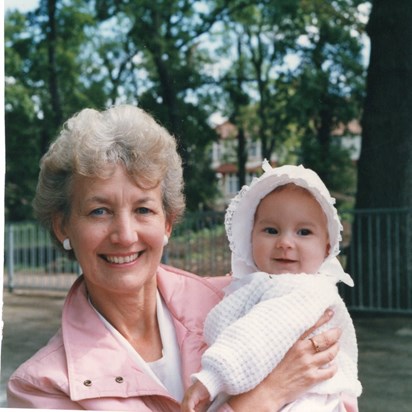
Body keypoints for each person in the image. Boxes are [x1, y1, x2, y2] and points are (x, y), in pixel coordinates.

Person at [7, 105, 355, 411]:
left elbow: (336, 388)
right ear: (63, 225)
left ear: (168, 223)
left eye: (143, 209)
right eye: (99, 211)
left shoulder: (245, 300)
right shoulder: (44, 386)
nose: (125, 235)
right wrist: (263, 398)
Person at [182, 161, 362, 412]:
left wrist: (211, 378)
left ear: (327, 248)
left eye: (303, 232)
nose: (285, 242)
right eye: (271, 230)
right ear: (250, 237)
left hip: (311, 400)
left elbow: (259, 333)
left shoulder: (307, 290)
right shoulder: (255, 286)